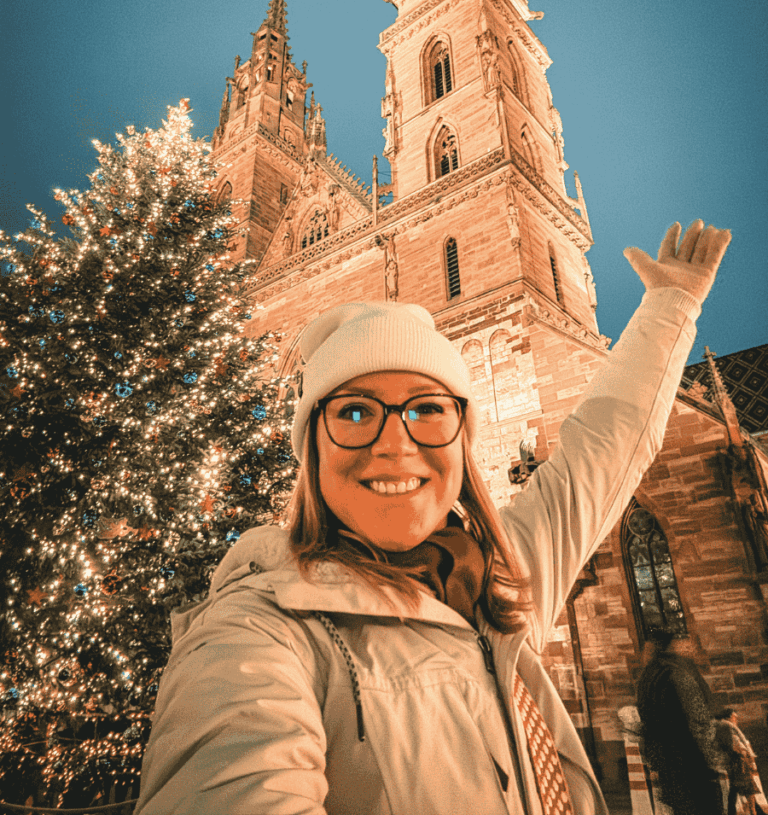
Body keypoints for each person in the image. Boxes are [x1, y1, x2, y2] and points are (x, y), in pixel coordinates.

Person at [135, 219, 731, 814]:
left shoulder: (501, 583)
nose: (395, 443)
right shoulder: (253, 635)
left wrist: (670, 305)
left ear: (461, 442)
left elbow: (603, 448)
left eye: (426, 410)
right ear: (311, 447)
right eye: (356, 412)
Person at [636, 630, 726, 815]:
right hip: (692, 763)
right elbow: (696, 717)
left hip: (668, 766)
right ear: (670, 645)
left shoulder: (647, 677)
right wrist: (711, 759)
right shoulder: (675, 672)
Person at [715, 708, 768, 815]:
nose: (736, 719)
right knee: (748, 788)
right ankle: (754, 811)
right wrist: (746, 755)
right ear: (728, 717)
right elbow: (735, 745)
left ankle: (753, 810)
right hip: (739, 762)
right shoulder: (728, 727)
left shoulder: (725, 727)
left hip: (736, 762)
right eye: (734, 717)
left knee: (737, 789)